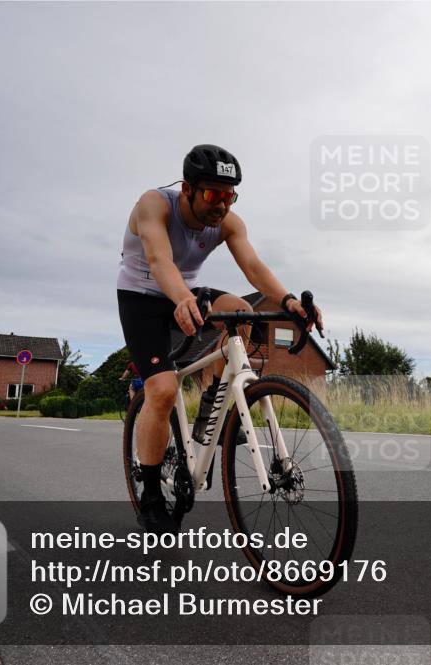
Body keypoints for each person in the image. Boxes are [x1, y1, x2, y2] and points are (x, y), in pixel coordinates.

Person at [117, 144, 322, 534]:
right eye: (213, 194)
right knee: (161, 391)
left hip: (188, 291)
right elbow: (160, 261)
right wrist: (179, 300)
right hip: (142, 297)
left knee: (242, 313)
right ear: (188, 188)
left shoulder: (228, 222)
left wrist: (290, 301)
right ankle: (151, 495)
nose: (222, 205)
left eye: (230, 196)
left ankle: (215, 396)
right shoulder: (153, 205)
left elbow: (254, 266)